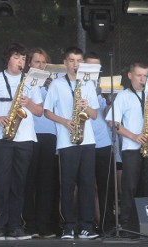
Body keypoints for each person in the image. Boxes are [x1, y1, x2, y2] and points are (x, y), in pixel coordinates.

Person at [0, 43, 43, 240]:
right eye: (17, 57)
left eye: (23, 58)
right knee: (1, 182)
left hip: (25, 138)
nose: (21, 61)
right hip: (1, 137)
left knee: (19, 183)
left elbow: (39, 111)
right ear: (8, 59)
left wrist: (27, 103)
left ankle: (15, 225)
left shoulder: (30, 82)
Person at [44, 47, 100, 240]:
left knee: (86, 184)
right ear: (65, 62)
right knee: (67, 185)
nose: (75, 64)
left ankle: (87, 226)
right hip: (67, 141)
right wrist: (64, 121)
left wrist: (87, 107)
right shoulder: (57, 85)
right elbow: (47, 112)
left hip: (87, 140)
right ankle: (68, 226)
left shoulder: (88, 84)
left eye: (78, 61)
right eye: (71, 60)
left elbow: (94, 115)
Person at [106, 62, 148, 233]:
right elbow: (112, 122)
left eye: (145, 76)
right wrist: (134, 136)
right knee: (129, 186)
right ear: (130, 76)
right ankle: (126, 224)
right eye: (139, 75)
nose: (142, 79)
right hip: (131, 148)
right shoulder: (123, 96)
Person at [22, 47, 58, 239]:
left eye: (44, 62)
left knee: (46, 182)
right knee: (29, 181)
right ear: (29, 64)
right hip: (29, 134)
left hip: (49, 134)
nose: (41, 65)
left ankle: (44, 224)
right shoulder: (24, 82)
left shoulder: (53, 84)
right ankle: (30, 223)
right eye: (37, 62)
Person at [86, 52, 116, 233]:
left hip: (103, 142)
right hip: (83, 142)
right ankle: (87, 223)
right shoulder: (75, 85)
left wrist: (111, 101)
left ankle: (107, 224)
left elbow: (109, 116)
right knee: (87, 186)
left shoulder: (103, 88)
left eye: (97, 68)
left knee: (106, 186)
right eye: (90, 67)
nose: (94, 71)